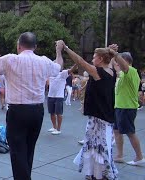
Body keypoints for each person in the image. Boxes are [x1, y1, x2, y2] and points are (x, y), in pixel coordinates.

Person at [0, 32, 63, 180]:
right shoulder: (44, 61)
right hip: (37, 111)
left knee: (17, 152)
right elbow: (58, 66)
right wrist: (58, 50)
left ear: (18, 46)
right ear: (35, 47)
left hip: (17, 111)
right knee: (29, 150)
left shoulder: (10, 59)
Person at [60, 40, 118, 180]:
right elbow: (109, 60)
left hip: (100, 117)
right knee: (94, 146)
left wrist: (66, 48)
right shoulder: (111, 71)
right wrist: (109, 51)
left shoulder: (98, 72)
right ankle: (95, 173)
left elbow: (80, 61)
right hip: (102, 116)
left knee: (98, 146)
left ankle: (102, 174)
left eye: (94, 57)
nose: (92, 59)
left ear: (100, 59)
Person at [110, 47, 145, 166]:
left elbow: (122, 66)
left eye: (120, 61)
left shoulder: (131, 71)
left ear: (125, 61)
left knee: (130, 132)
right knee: (116, 130)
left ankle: (139, 157)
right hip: (119, 107)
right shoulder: (122, 73)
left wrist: (115, 54)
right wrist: (110, 52)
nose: (118, 64)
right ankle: (119, 155)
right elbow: (115, 65)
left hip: (127, 107)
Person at [47, 64, 78, 135]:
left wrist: (76, 63)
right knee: (52, 113)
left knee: (59, 113)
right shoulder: (51, 74)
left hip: (59, 96)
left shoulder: (63, 73)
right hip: (50, 96)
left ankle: (58, 129)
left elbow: (71, 70)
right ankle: (54, 127)